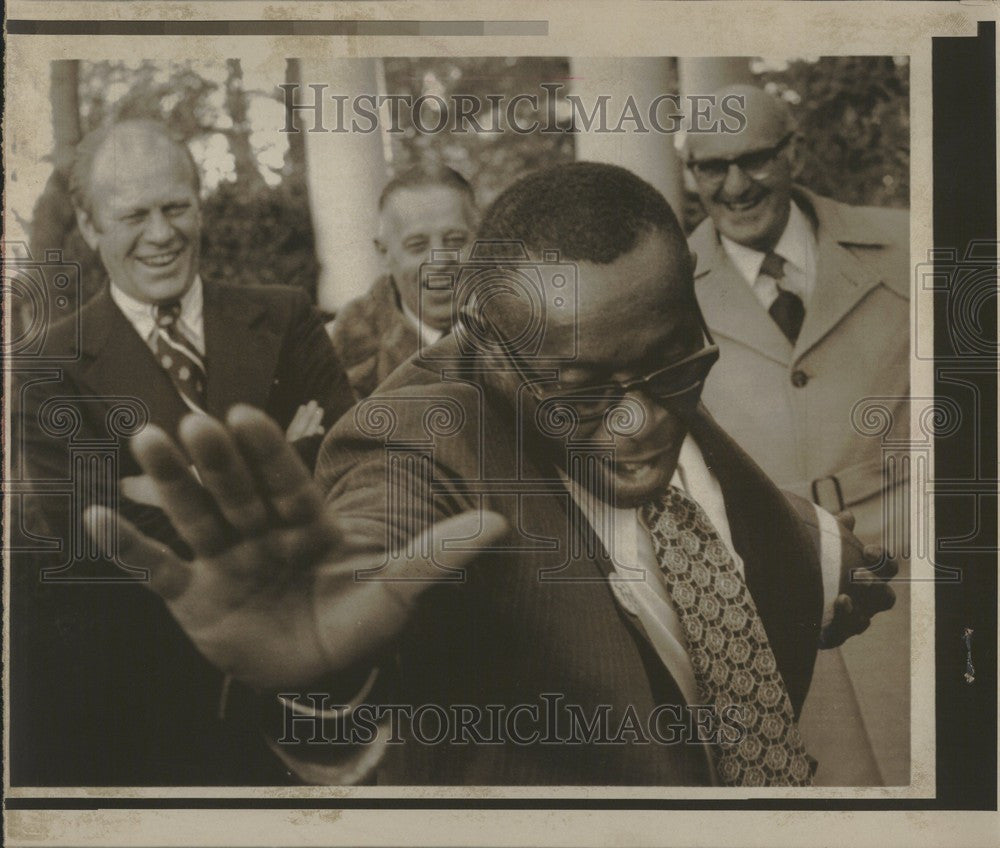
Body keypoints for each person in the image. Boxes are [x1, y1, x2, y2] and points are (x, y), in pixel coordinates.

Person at [83, 162, 898, 787]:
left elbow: (705, 489)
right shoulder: (410, 439)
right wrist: (325, 682)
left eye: (677, 368)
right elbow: (380, 526)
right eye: (582, 395)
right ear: (486, 344)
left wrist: (813, 555)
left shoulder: (625, 348)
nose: (641, 419)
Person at [11, 119, 355, 785]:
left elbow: (352, 464)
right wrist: (276, 464)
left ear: (200, 203)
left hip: (314, 684)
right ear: (88, 224)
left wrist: (166, 488)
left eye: (176, 207)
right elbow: (88, 540)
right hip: (154, 709)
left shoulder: (284, 316)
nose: (162, 234)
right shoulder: (48, 362)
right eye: (134, 215)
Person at [683, 85, 910, 784]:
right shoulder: (668, 287)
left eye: (754, 159)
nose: (735, 185)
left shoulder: (908, 242)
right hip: (780, 609)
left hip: (920, 587)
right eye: (711, 167)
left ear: (793, 152)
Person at [328, 163, 479, 399]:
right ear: (384, 253)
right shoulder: (346, 348)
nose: (439, 262)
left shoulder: (525, 328)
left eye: (455, 241)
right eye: (417, 246)